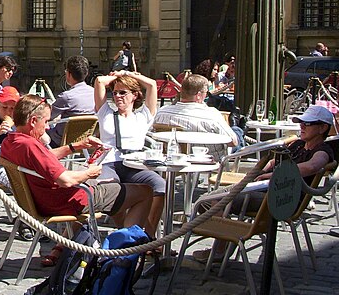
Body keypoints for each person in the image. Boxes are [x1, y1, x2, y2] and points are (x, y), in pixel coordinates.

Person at [0, 94, 153, 266]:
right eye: (46, 122)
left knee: (112, 187)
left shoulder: (12, 141)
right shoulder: (30, 145)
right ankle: (124, 252)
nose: (47, 128)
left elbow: (44, 158)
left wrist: (75, 146)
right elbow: (65, 180)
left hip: (43, 200)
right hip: (65, 201)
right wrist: (90, 172)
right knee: (145, 191)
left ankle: (61, 247)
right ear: (34, 121)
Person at [191, 104, 336, 263]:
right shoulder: (298, 144)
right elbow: (274, 161)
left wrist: (272, 175)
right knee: (207, 199)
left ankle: (220, 250)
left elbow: (312, 166)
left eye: (307, 123)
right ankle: (225, 243)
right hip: (266, 191)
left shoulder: (322, 150)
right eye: (301, 122)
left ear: (322, 128)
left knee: (214, 201)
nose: (301, 126)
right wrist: (260, 172)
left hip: (282, 200)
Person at [93, 71, 165, 237]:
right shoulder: (106, 113)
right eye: (115, 92)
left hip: (134, 164)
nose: (117, 96)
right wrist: (118, 77)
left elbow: (152, 84)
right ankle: (123, 230)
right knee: (113, 187)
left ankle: (150, 234)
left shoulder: (143, 116)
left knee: (160, 185)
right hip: (109, 162)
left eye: (123, 92)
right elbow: (99, 81)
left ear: (135, 95)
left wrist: (129, 74)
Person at [152, 74, 238, 156]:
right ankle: (238, 128)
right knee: (237, 133)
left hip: (171, 163)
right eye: (206, 93)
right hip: (209, 165)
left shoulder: (161, 112)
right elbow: (233, 142)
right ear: (199, 95)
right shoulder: (211, 115)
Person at [48, 55, 96, 147]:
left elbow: (48, 115)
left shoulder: (67, 97)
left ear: (68, 74)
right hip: (85, 139)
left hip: (61, 141)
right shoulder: (95, 93)